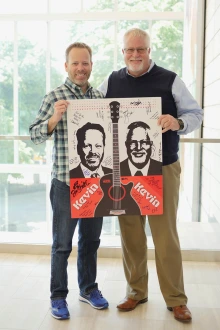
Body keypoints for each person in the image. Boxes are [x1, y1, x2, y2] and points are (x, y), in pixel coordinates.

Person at [98, 28, 203, 323]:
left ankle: (176, 300)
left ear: (149, 50)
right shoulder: (111, 81)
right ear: (122, 52)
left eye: (140, 49)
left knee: (165, 236)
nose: (135, 55)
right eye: (130, 50)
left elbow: (196, 114)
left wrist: (178, 121)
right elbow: (95, 112)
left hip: (163, 168)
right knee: (130, 233)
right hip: (124, 171)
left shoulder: (170, 80)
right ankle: (135, 292)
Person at [29, 42, 109, 320]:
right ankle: (58, 297)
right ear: (66, 66)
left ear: (91, 65)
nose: (80, 68)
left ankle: (88, 289)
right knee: (62, 244)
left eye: (85, 63)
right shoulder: (55, 96)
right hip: (65, 183)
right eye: (75, 63)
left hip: (94, 185)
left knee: (90, 241)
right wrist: (54, 119)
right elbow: (35, 135)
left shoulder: (101, 97)